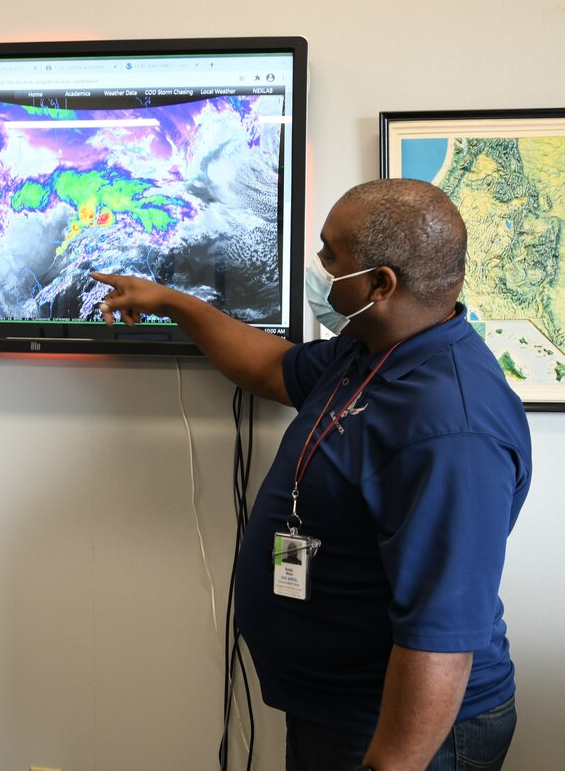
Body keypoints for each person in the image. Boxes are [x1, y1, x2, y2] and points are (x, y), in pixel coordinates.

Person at [93, 178, 530, 771]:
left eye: (329, 254)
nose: (316, 266)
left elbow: (441, 637)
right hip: (338, 711)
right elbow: (274, 368)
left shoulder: (452, 429)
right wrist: (176, 303)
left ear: (380, 284)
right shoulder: (374, 351)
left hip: (401, 735)